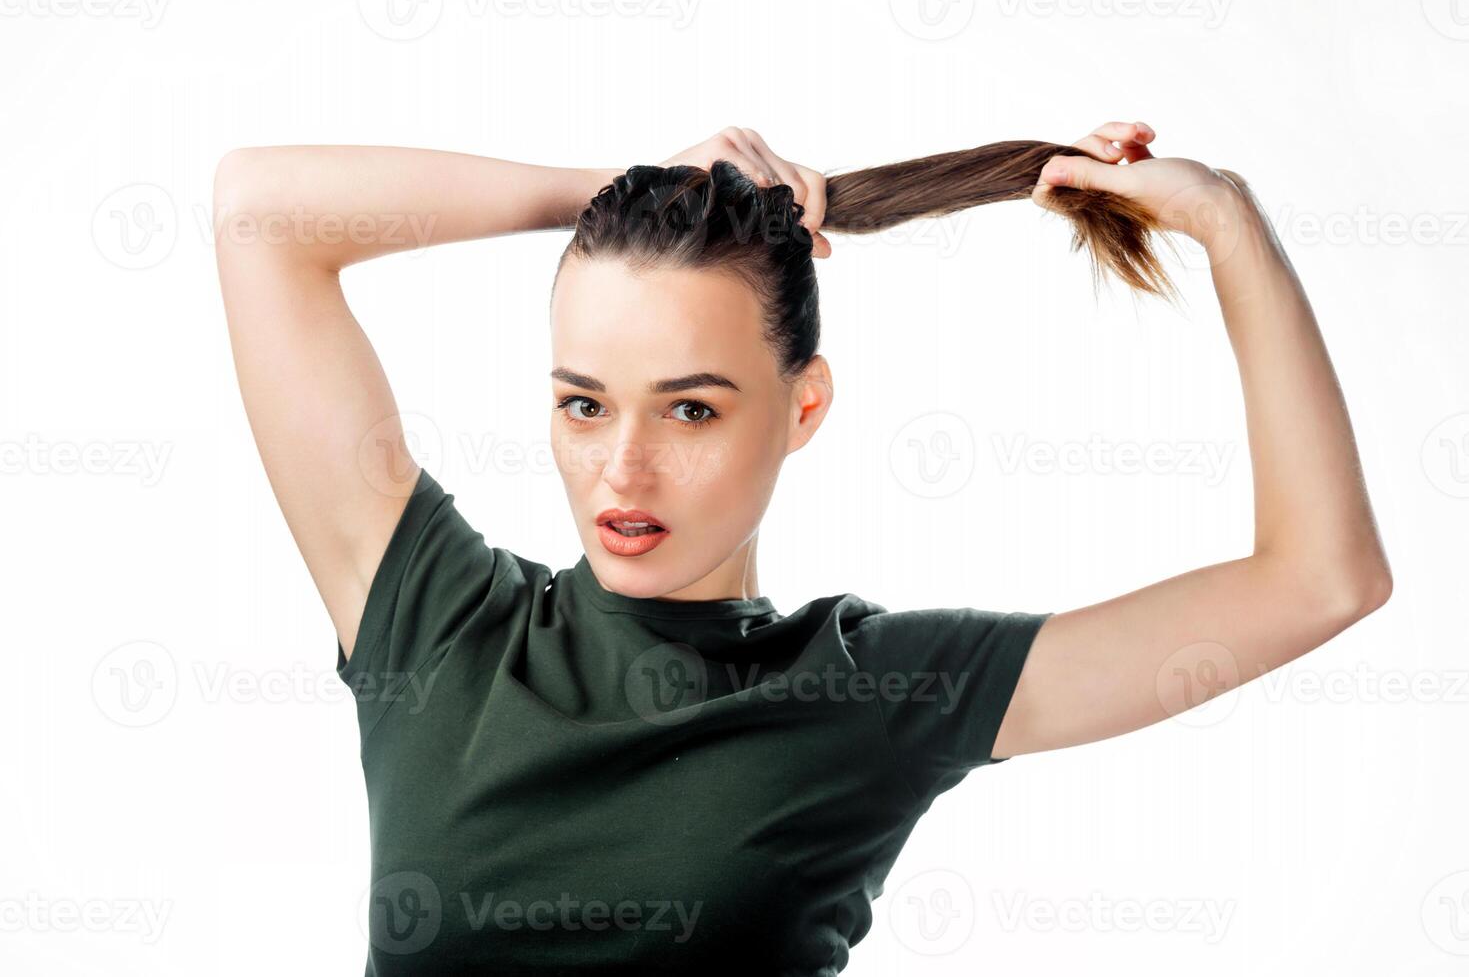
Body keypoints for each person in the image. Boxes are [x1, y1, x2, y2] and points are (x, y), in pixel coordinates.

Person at [212, 121, 1391, 975]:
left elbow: (1318, 577)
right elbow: (258, 209)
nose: (621, 470)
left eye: (689, 409)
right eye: (583, 403)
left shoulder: (874, 694)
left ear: (802, 406)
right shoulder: (434, 622)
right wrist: (617, 187)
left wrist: (1226, 223)